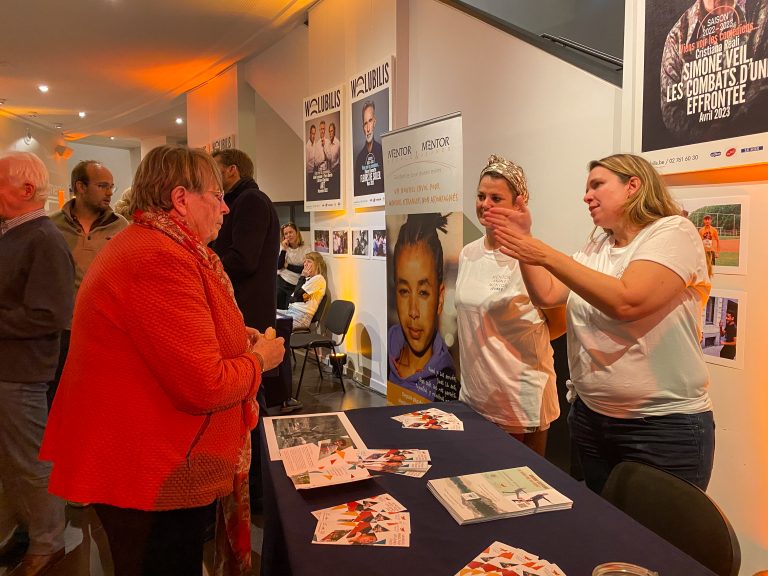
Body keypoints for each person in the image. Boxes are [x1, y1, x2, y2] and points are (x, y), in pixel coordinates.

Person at [40, 145, 285, 576]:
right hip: (147, 470)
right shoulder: (158, 258)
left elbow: (176, 338)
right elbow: (203, 384)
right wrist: (259, 360)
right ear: (180, 199)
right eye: (216, 196)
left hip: (154, 460)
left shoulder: (162, 246)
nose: (225, 209)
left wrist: (235, 339)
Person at [485, 153, 714, 494]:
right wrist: (523, 239)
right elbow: (548, 294)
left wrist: (543, 253)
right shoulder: (598, 244)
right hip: (592, 420)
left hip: (661, 428)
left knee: (656, 542)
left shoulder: (673, 231)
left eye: (597, 185)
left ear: (633, 186)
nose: (586, 196)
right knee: (608, 534)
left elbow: (627, 300)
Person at [456, 155, 566, 456]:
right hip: (476, 396)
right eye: (480, 196)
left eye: (496, 198)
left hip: (520, 403)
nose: (485, 204)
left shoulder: (534, 257)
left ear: (519, 203)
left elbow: (558, 324)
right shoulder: (468, 253)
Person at [0, 151, 74, 575]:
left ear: (26, 190)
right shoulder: (15, 234)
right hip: (10, 368)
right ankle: (25, 533)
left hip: (23, 370)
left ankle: (48, 541)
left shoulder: (42, 239)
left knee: (30, 461)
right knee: (12, 461)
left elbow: (49, 315)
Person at [49, 160, 128, 407]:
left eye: (111, 187)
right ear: (80, 187)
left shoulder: (121, 226)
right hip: (62, 330)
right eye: (102, 185)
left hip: (104, 329)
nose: (109, 193)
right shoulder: (52, 226)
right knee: (58, 398)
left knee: (98, 400)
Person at [387, 213, 456, 402]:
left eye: (423, 293)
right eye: (404, 291)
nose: (413, 312)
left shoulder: (446, 383)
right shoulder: (385, 354)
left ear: (440, 298)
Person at [278, 251, 327, 332]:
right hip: (292, 312)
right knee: (268, 314)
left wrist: (302, 276)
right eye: (305, 261)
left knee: (272, 324)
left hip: (301, 317)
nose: (305, 264)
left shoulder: (318, 279)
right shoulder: (308, 279)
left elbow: (296, 295)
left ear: (317, 264)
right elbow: (292, 298)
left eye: (309, 261)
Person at [277, 222, 311, 309]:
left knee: (289, 311)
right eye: (286, 234)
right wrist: (284, 249)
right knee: (278, 311)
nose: (289, 235)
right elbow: (279, 266)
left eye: (291, 232)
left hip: (295, 285)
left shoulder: (306, 249)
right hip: (281, 282)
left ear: (297, 233)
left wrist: (288, 266)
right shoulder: (283, 247)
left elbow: (304, 270)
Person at [354, 100, 384, 196]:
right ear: (363, 127)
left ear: (374, 122)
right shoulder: (359, 159)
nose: (368, 129)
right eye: (365, 123)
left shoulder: (382, 152)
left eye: (370, 121)